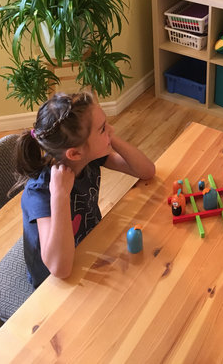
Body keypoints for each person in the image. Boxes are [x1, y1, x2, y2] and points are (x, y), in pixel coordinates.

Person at [16, 92, 155, 288]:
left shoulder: (87, 157)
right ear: (74, 153)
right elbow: (60, 269)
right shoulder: (40, 192)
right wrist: (60, 196)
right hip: (53, 283)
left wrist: (109, 137)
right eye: (103, 129)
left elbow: (146, 171)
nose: (112, 129)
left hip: (91, 245)